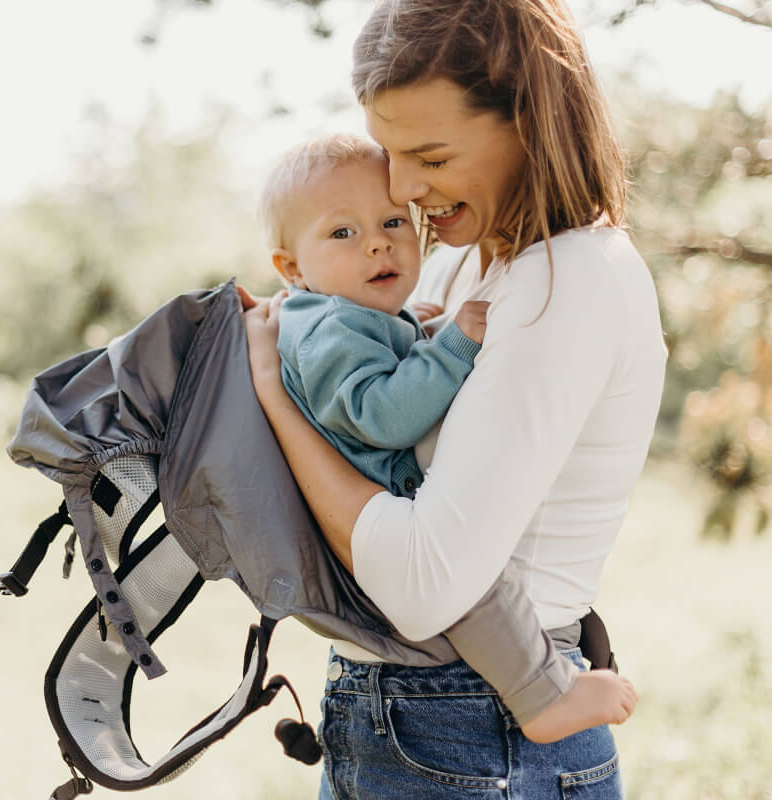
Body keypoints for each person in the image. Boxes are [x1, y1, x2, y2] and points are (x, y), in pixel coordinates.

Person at [242, 0, 667, 797]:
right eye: (390, 154)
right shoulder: (450, 273)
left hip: (483, 729)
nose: (403, 189)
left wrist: (274, 397)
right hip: (391, 716)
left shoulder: (567, 279)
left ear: (527, 123)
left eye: (429, 155)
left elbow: (421, 585)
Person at [257, 131, 637, 746]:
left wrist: (426, 330)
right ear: (292, 268)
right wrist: (453, 345)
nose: (378, 241)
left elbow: (387, 357)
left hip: (383, 541)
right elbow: (382, 413)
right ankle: (542, 696)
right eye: (343, 233)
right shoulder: (328, 326)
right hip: (387, 508)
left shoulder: (347, 311)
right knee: (471, 582)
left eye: (389, 221)